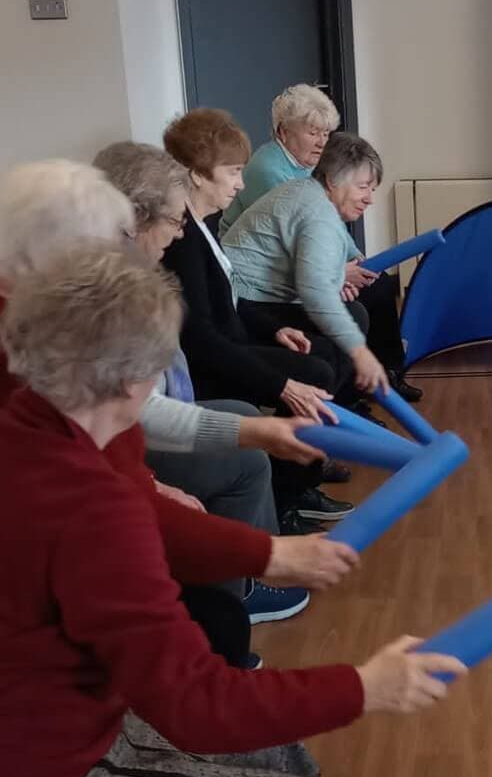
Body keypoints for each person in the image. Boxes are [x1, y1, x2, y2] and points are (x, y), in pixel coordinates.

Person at [0, 243, 466, 777]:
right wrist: (366, 686)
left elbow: (141, 520)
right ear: (136, 376)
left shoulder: (44, 421)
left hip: (67, 711)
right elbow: (194, 704)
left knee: (280, 755)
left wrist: (272, 555)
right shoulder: (82, 497)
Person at [0, 159, 361, 668]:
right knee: (218, 628)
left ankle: (237, 592)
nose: (121, 250)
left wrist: (255, 431)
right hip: (61, 593)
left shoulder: (66, 324)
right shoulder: (36, 349)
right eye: (115, 235)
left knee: (220, 621)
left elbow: (124, 437)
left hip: (101, 527)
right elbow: (90, 488)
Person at [95, 140, 353, 535]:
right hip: (153, 420)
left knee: (259, 407)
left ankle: (275, 524)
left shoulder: (153, 259)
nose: (179, 233)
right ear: (135, 219)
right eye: (173, 220)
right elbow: (136, 409)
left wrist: (273, 331)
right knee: (249, 458)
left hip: (162, 405)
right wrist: (151, 484)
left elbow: (229, 303)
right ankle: (261, 557)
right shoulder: (113, 293)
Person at [222, 89, 421, 403]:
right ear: (334, 180)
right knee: (333, 346)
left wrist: (352, 265)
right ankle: (317, 431)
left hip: (258, 296)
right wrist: (362, 353)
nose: (370, 198)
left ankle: (341, 413)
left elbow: (334, 243)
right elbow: (315, 291)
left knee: (355, 313)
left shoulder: (312, 191)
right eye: (363, 187)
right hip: (246, 303)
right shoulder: (313, 207)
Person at [159, 111, 351, 413]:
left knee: (324, 351)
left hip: (231, 339)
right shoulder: (182, 239)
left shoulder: (204, 224)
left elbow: (231, 297)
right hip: (210, 363)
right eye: (233, 172)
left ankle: (308, 447)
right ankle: (288, 456)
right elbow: (199, 338)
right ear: (197, 173)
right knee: (316, 372)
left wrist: (275, 330)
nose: (240, 185)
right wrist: (281, 385)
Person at [221, 83, 339, 232]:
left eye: (326, 133)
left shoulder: (309, 163)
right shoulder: (267, 171)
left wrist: (352, 252)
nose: (322, 143)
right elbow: (298, 231)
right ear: (283, 132)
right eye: (313, 133)